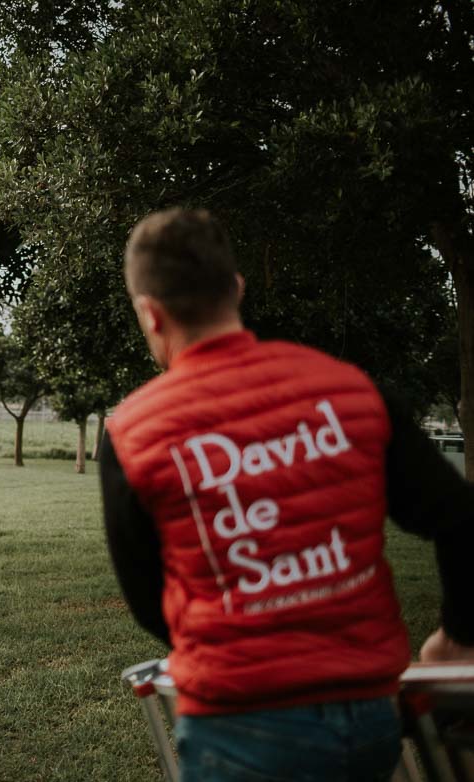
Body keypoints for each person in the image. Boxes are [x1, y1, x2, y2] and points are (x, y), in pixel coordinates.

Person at [99, 208, 474, 781]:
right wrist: (458, 636)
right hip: (370, 716)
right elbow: (461, 519)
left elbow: (148, 599)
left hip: (238, 724)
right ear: (237, 288)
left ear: (150, 313)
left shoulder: (132, 432)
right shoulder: (350, 391)